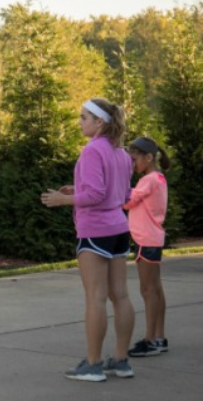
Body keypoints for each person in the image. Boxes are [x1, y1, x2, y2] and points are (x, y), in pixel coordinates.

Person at [41, 98, 135, 382]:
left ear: (99, 123)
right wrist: (77, 189)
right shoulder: (121, 153)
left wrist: (63, 199)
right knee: (120, 296)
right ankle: (120, 361)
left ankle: (93, 364)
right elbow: (123, 194)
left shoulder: (93, 150)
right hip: (119, 228)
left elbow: (94, 196)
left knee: (95, 298)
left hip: (95, 230)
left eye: (84, 117)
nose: (80, 122)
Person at [124, 137, 170, 357]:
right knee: (156, 289)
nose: (131, 165)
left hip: (145, 240)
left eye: (134, 160)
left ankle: (150, 340)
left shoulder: (148, 180)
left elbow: (126, 202)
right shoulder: (157, 178)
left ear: (148, 158)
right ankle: (159, 337)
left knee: (148, 290)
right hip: (152, 239)